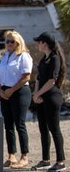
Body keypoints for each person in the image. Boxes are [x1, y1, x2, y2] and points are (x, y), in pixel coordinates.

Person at [31, 32, 67, 171]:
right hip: (41, 98)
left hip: (52, 97)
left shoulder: (55, 59)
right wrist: (35, 94)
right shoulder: (43, 59)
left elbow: (52, 81)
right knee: (43, 129)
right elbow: (39, 79)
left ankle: (61, 161)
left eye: (39, 42)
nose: (37, 44)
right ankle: (45, 160)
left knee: (54, 129)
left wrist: (39, 93)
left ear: (44, 43)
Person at [0, 31, 33, 169]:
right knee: (8, 125)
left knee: (20, 124)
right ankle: (11, 155)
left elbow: (26, 76)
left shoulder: (23, 56)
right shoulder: (5, 56)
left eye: (12, 41)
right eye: (7, 41)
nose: (9, 44)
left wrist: (11, 91)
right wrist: (1, 90)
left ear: (18, 42)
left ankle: (24, 156)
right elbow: (1, 76)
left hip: (19, 92)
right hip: (5, 92)